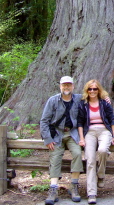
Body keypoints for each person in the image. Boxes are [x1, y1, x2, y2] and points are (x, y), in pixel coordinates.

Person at [39, 76, 83, 205]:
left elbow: (95, 96)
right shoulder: (53, 101)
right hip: (57, 134)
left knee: (77, 153)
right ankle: (53, 189)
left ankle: (74, 186)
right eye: (64, 85)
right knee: (55, 156)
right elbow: (44, 121)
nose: (66, 87)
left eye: (69, 85)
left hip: (73, 133)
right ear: (60, 86)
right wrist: (47, 138)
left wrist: (106, 98)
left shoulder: (79, 99)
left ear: (73, 86)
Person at [78, 79, 114, 205]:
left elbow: (112, 119)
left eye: (95, 89)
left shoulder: (104, 103)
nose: (92, 91)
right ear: (87, 90)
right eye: (90, 89)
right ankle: (91, 193)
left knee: (102, 150)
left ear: (98, 90)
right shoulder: (83, 104)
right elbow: (80, 122)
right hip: (89, 132)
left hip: (104, 131)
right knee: (90, 160)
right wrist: (81, 138)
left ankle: (100, 175)